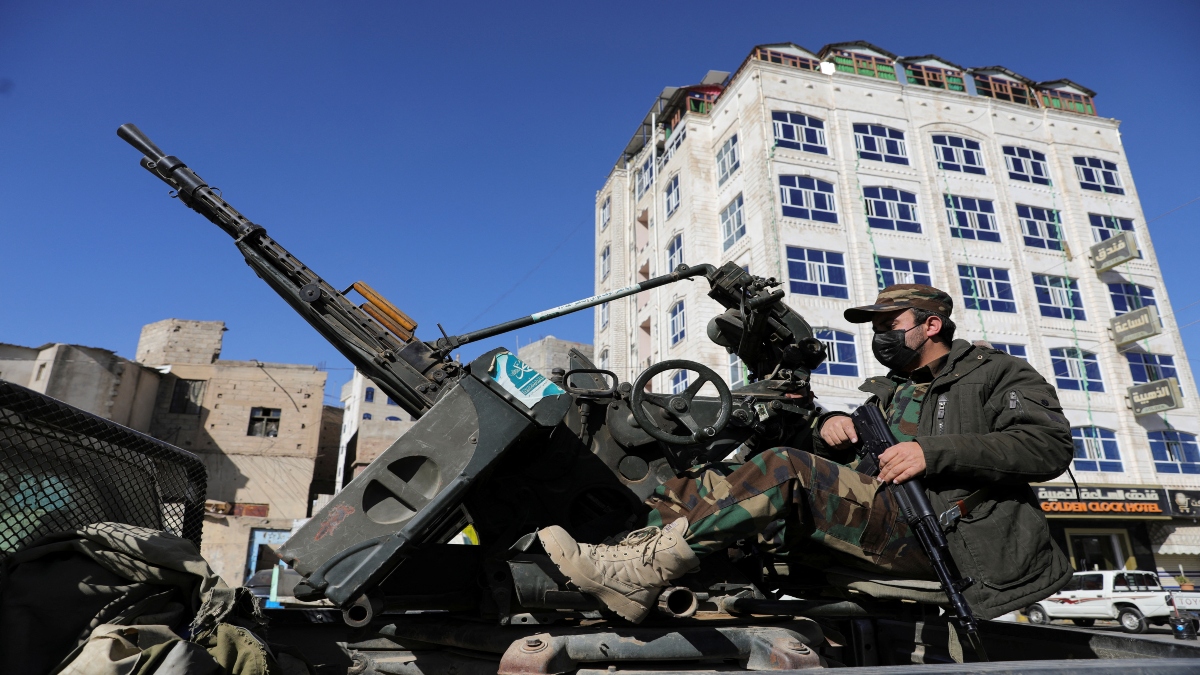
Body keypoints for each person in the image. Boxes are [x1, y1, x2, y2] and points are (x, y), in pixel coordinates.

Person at [539, 284, 1075, 623]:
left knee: (784, 471)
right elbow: (850, 467)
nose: (879, 337)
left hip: (947, 535)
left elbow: (1048, 446)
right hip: (888, 517)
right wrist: (829, 431)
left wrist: (930, 453)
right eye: (875, 329)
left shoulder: (996, 374)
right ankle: (629, 564)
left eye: (890, 326)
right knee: (697, 482)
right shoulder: (887, 394)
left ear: (931, 325)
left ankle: (636, 573)